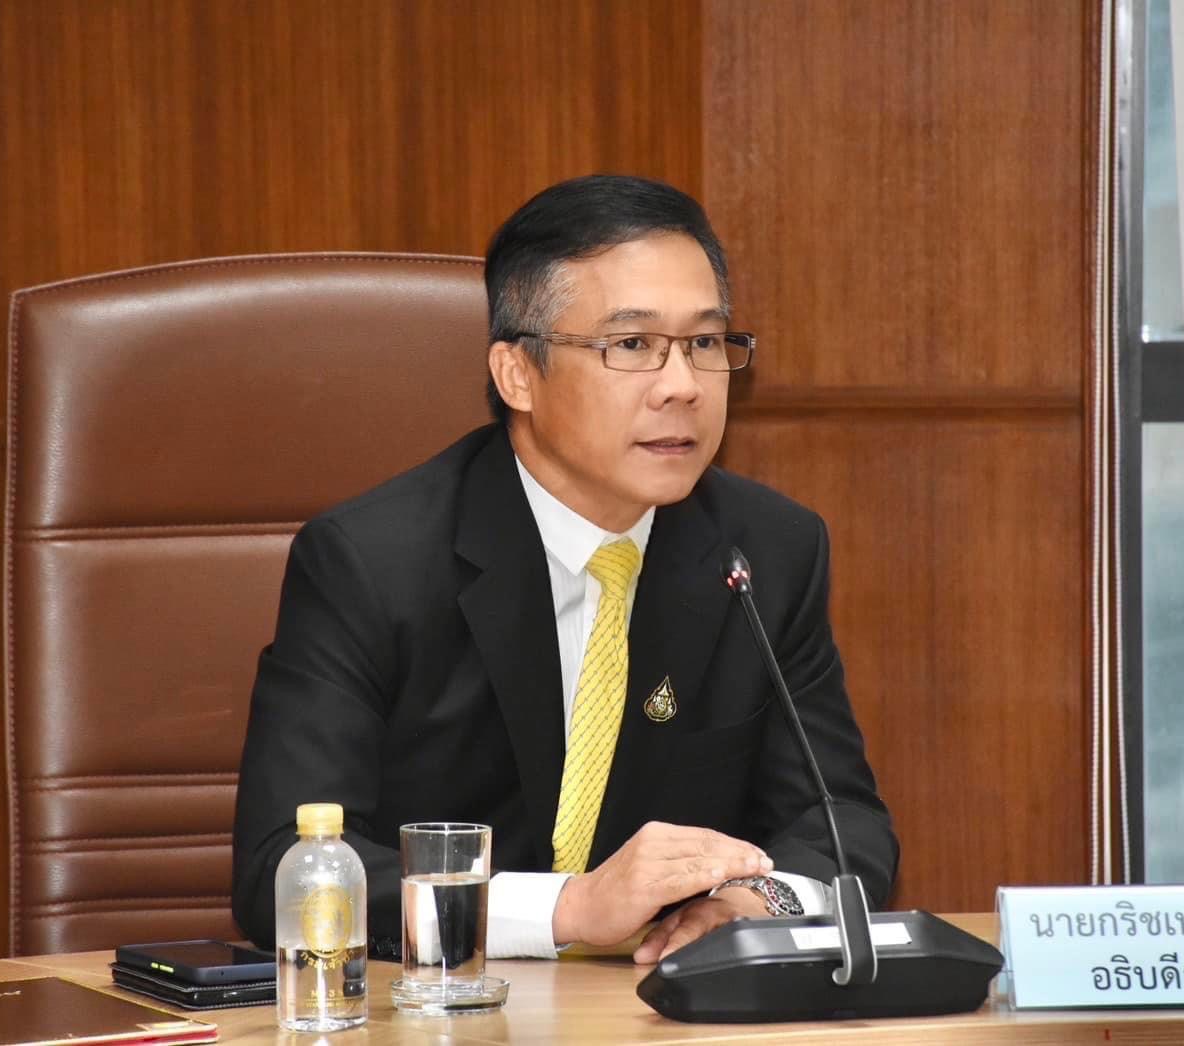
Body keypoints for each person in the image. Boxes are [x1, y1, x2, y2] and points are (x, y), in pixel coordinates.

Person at [231, 174, 896, 963]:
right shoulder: (373, 563)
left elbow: (842, 822)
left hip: (651, 1008)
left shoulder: (763, 552)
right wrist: (568, 909)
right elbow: (283, 869)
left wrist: (755, 902)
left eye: (705, 343)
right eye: (632, 345)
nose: (683, 387)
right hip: (440, 1007)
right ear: (518, 374)